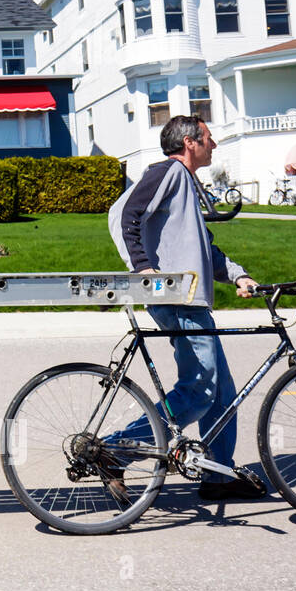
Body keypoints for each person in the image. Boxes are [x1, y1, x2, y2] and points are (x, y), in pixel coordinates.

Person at [105, 115, 265, 503]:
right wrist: (144, 269)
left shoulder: (184, 184)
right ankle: (117, 450)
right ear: (190, 142)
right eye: (208, 139)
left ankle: (218, 474)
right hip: (178, 299)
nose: (214, 146)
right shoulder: (169, 171)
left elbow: (202, 248)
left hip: (189, 299)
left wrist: (238, 276)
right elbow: (126, 216)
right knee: (199, 391)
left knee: (221, 391)